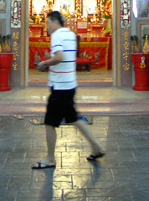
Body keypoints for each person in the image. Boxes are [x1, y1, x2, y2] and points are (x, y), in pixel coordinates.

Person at [32, 11, 105, 170]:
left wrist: (44, 63)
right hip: (70, 84)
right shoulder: (71, 34)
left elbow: (59, 57)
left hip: (60, 87)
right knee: (74, 118)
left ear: (55, 22)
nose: (47, 26)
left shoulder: (57, 36)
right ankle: (96, 147)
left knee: (50, 122)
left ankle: (50, 158)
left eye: (48, 23)